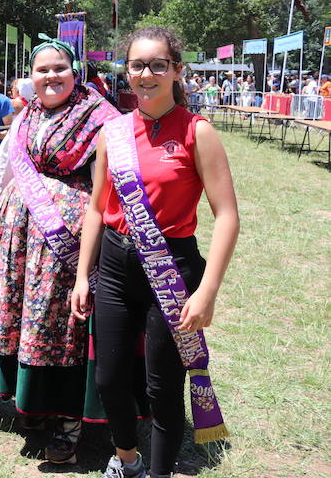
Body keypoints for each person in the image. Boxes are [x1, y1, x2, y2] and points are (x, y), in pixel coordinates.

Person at [72, 27, 239, 478]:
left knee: (163, 387)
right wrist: (84, 275)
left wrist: (207, 292)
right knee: (108, 379)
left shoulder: (197, 132)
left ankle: (160, 472)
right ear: (126, 70)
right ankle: (127, 460)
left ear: (176, 71)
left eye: (157, 65)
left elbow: (227, 216)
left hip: (173, 268)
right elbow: (94, 207)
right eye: (137, 65)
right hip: (114, 265)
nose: (146, 74)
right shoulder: (113, 132)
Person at [0, 35, 119, 464]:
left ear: (74, 71)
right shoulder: (28, 114)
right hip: (20, 241)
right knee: (28, 321)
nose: (51, 76)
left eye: (59, 68)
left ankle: (69, 424)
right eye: (42, 70)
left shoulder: (98, 116)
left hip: (65, 244)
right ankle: (34, 406)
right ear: (31, 77)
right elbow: (8, 168)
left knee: (61, 329)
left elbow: (107, 187)